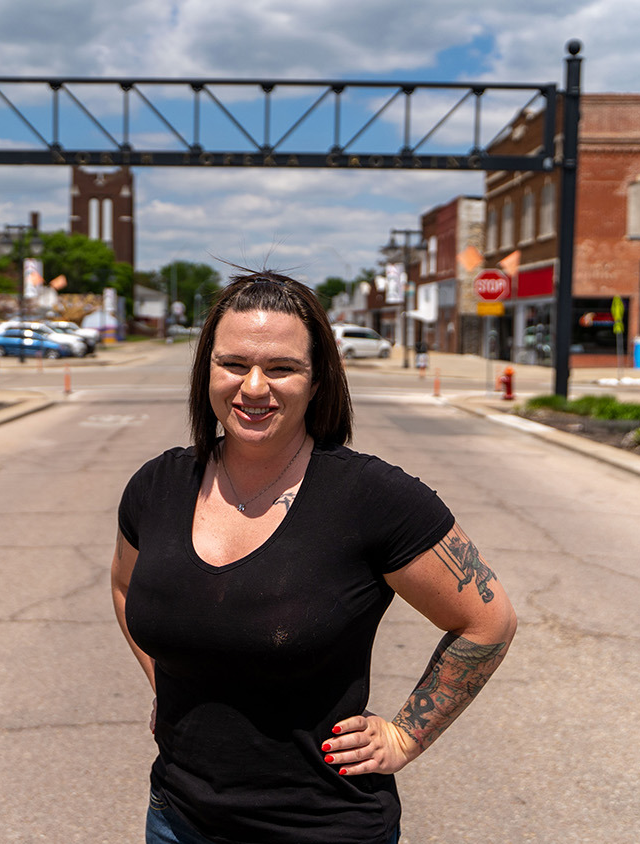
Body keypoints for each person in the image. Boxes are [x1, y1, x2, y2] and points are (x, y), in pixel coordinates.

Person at [111, 269, 518, 844]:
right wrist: (167, 682)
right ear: (207, 369)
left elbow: (488, 620)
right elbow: (127, 588)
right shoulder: (157, 486)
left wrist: (405, 736)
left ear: (318, 379)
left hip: (323, 826)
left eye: (281, 368)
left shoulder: (372, 498)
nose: (254, 387)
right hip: (179, 818)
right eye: (233, 365)